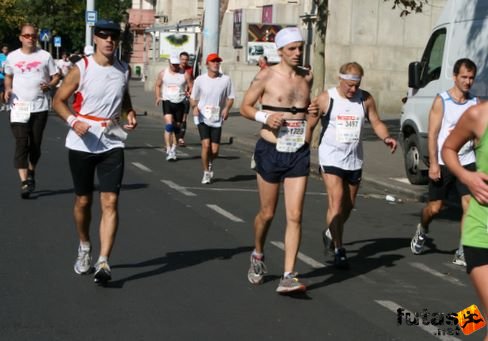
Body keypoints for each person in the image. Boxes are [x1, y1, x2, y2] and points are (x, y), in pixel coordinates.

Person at [53, 19, 137, 285]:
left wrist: (130, 112)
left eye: (113, 37)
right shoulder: (82, 68)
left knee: (110, 201)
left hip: (112, 141)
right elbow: (58, 101)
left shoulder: (123, 69)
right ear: (96, 40)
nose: (109, 41)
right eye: (104, 36)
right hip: (82, 141)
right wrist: (72, 121)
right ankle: (85, 245)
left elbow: (123, 96)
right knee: (83, 201)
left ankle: (103, 261)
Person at [240, 27, 318, 294]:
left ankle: (288, 275)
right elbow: (245, 107)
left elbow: (307, 110)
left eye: (300, 48)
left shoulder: (306, 76)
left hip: (298, 151)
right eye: (292, 49)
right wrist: (265, 117)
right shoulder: (266, 76)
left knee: (295, 215)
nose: (298, 53)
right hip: (271, 150)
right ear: (280, 51)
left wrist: (312, 115)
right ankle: (258, 253)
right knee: (268, 213)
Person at [313, 62, 397, 269]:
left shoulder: (365, 99)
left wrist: (386, 137)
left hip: (353, 159)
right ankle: (339, 249)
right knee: (336, 200)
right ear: (340, 79)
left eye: (356, 86)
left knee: (348, 205)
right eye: (349, 85)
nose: (352, 89)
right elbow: (310, 121)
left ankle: (329, 232)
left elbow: (376, 121)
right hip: (331, 156)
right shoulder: (327, 98)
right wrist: (302, 149)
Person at [410, 58, 479, 267]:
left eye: (471, 78)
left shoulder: (474, 103)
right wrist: (432, 163)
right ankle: (422, 229)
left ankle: (462, 250)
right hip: (443, 161)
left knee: (469, 206)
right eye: (464, 77)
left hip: (466, 162)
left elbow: (477, 135)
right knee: (435, 208)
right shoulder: (442, 101)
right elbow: (432, 134)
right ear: (455, 77)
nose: (467, 82)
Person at [442, 96, 488, 341]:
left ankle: (464, 323)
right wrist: (466, 176)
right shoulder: (479, 115)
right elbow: (448, 148)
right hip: (482, 233)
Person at [3, 23, 60, 199]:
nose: (30, 39)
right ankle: (24, 182)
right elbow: (8, 76)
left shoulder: (45, 56)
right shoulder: (12, 57)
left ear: (37, 37)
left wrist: (49, 85)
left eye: (33, 36)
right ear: (20, 37)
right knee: (21, 143)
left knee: (35, 145)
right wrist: (7, 89)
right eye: (26, 36)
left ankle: (31, 171)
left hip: (39, 106)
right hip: (18, 106)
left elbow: (56, 75)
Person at [190, 53, 234, 184]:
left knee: (214, 151)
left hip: (216, 118)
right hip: (202, 116)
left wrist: (226, 109)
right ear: (207, 64)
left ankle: (209, 162)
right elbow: (193, 97)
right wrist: (195, 107)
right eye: (213, 61)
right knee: (206, 145)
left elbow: (231, 97)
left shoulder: (226, 80)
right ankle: (206, 172)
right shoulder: (200, 80)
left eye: (217, 62)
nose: (216, 63)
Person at [154, 54, 192, 161]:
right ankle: (168, 148)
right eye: (173, 64)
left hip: (180, 102)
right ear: (169, 63)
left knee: (176, 128)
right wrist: (157, 97)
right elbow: (157, 85)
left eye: (176, 64)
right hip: (167, 101)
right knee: (169, 125)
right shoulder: (163, 73)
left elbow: (191, 85)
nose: (175, 67)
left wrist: (189, 93)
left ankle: (174, 149)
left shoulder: (185, 74)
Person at [178, 51, 194, 146]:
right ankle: (172, 138)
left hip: (185, 97)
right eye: (182, 59)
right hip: (175, 97)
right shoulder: (175, 69)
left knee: (184, 118)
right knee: (175, 120)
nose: (184, 61)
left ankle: (181, 138)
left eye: (186, 59)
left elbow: (192, 81)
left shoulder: (190, 69)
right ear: (179, 59)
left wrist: (190, 91)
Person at [0, 45, 9, 111]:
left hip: (8, 77)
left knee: (8, 91)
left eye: (6, 49)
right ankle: (3, 104)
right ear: (2, 50)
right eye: (4, 49)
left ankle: (8, 104)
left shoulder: (9, 56)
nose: (5, 50)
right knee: (1, 92)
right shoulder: (0, 56)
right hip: (1, 77)